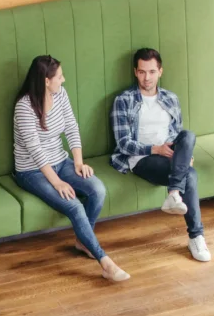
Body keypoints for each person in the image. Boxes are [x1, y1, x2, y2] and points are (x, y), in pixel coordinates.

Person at [13, 55, 130, 282]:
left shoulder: (60, 95)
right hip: (32, 171)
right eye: (59, 77)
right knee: (74, 206)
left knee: (98, 189)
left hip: (60, 160)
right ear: (46, 81)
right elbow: (36, 152)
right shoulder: (24, 107)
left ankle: (82, 241)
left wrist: (78, 162)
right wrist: (56, 182)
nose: (63, 80)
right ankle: (105, 262)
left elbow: (71, 127)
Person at [109, 48, 211, 262]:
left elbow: (176, 133)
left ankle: (174, 193)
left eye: (152, 72)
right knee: (190, 176)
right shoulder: (124, 100)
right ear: (135, 72)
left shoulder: (170, 98)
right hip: (142, 159)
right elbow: (123, 143)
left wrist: (182, 155)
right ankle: (196, 235)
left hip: (169, 154)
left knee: (188, 136)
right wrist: (155, 149)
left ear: (160, 72)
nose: (147, 77)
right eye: (142, 72)